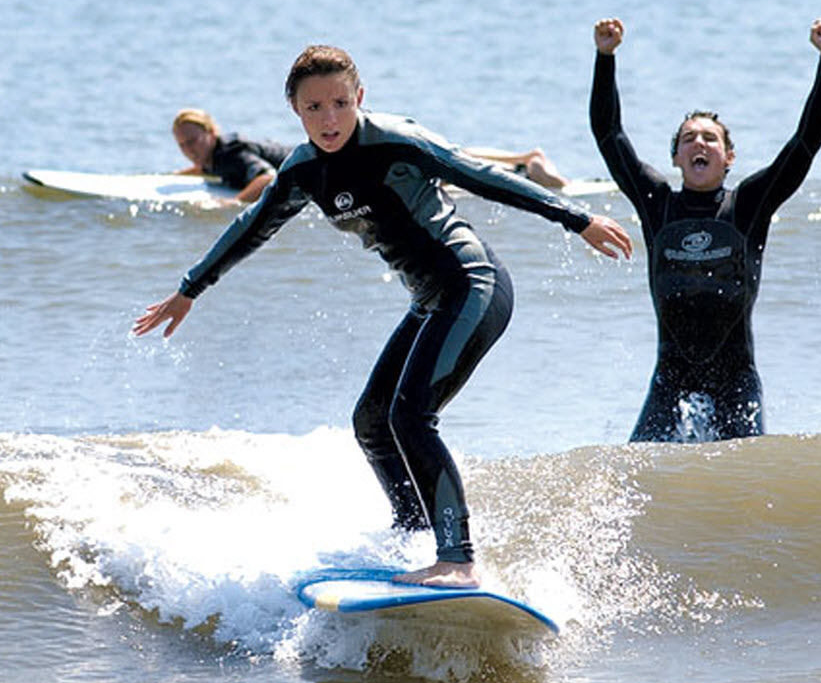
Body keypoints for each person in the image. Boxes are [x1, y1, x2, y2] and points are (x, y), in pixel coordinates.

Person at [136, 46, 632, 587]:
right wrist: (190, 289)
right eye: (314, 107)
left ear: (360, 98)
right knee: (372, 423)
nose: (329, 119)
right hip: (429, 301)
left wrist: (576, 218)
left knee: (411, 416)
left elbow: (483, 175)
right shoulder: (302, 171)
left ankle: (458, 559)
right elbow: (252, 227)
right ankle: (413, 535)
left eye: (340, 103)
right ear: (295, 111)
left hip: (472, 285)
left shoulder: (398, 140)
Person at [590, 17, 821, 442]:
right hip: (669, 379)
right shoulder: (658, 204)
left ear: (729, 157)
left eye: (710, 138)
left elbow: (805, 143)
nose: (699, 144)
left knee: (742, 481)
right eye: (688, 139)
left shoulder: (747, 206)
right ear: (676, 158)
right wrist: (605, 57)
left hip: (736, 381)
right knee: (636, 474)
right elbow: (608, 133)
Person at [172, 108, 293, 205]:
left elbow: (268, 177)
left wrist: (234, 202)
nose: (188, 150)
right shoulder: (211, 157)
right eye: (182, 145)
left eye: (193, 141)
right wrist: (176, 175)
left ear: (212, 132)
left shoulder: (232, 153)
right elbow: (203, 169)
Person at [462, 147, 570, 189]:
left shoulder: (461, 157)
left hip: (523, 172)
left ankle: (529, 159)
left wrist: (524, 157)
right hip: (522, 171)